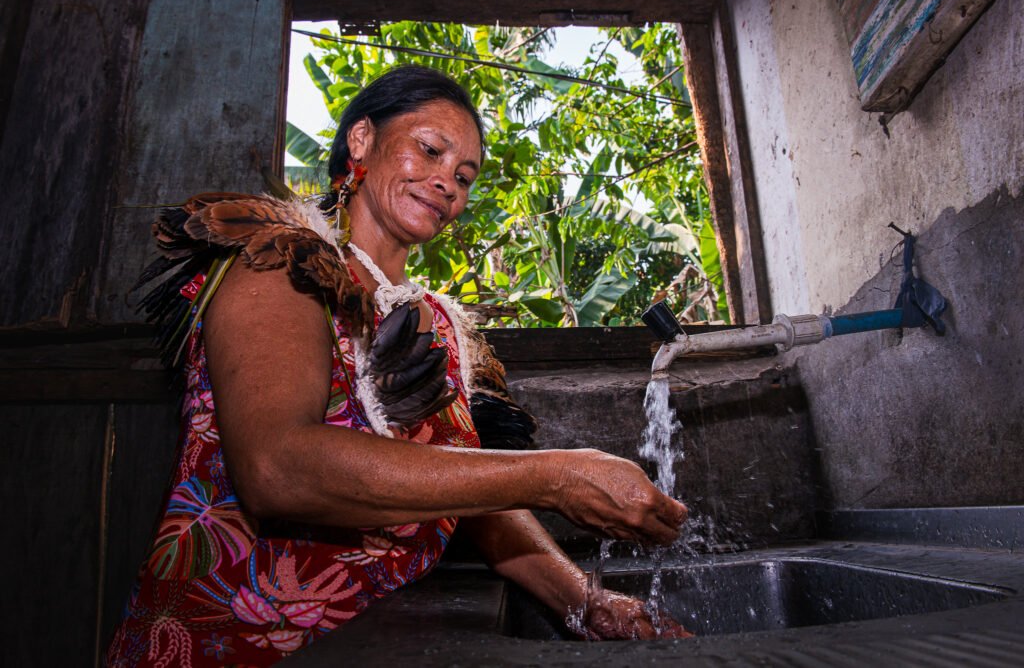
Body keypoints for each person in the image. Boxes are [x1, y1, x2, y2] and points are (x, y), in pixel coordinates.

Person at [107, 65, 690, 667]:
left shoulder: (440, 324)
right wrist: (556, 475)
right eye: (430, 151)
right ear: (361, 140)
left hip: (377, 642)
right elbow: (276, 470)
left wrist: (585, 599)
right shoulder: (282, 260)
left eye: (464, 177)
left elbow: (471, 494)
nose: (448, 184)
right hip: (227, 644)